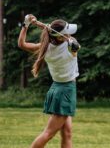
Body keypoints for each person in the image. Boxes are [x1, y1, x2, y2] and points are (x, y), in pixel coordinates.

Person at [18, 14, 80, 148]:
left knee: (67, 132)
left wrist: (27, 24)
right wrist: (40, 25)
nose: (69, 34)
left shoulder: (46, 47)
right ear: (60, 36)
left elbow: (22, 44)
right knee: (49, 133)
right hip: (66, 91)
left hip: (58, 89)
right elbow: (71, 42)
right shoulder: (72, 45)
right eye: (66, 32)